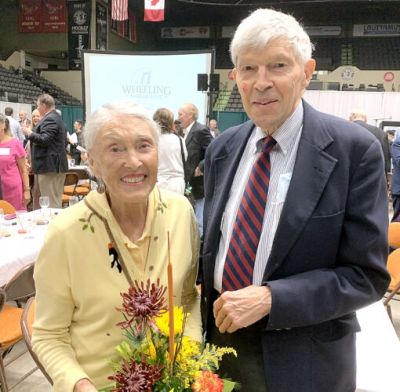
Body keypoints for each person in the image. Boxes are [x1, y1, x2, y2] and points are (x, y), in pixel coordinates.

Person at [201, 9, 389, 392]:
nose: (261, 83)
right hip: (218, 350)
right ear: (234, 76)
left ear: (307, 72)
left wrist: (273, 298)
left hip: (304, 359)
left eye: (278, 66)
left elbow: (366, 277)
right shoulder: (222, 149)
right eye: (248, 69)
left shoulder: (354, 151)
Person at [32, 101, 201, 392]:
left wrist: (189, 362)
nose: (133, 161)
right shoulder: (66, 233)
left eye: (144, 146)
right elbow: (49, 335)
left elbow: (187, 299)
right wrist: (79, 385)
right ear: (93, 162)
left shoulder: (180, 213)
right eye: (115, 149)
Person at [22, 94, 68, 209]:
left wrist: (29, 133)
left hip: (49, 168)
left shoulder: (51, 118)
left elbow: (44, 139)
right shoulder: (56, 117)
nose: (37, 109)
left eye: (38, 106)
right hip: (53, 167)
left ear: (43, 105)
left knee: (51, 205)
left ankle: (53, 227)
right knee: (54, 202)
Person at [178, 103, 213, 236]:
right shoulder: (182, 132)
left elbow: (213, 149)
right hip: (187, 180)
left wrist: (202, 165)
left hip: (198, 180)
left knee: (200, 216)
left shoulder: (200, 130)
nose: (178, 117)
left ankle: (200, 246)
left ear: (190, 115)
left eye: (181, 114)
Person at [153, 107, 187, 195]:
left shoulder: (153, 140)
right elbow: (185, 159)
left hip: (158, 182)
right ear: (171, 123)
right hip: (178, 184)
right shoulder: (180, 140)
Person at [0, 114, 30, 210]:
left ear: (3, 125)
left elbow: (23, 170)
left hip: (12, 189)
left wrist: (27, 190)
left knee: (15, 218)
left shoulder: (15, 143)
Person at [349, 109, 390, 178]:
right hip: (372, 175)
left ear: (351, 118)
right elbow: (385, 157)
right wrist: (385, 178)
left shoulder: (344, 130)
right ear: (366, 119)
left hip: (348, 174)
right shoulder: (380, 133)